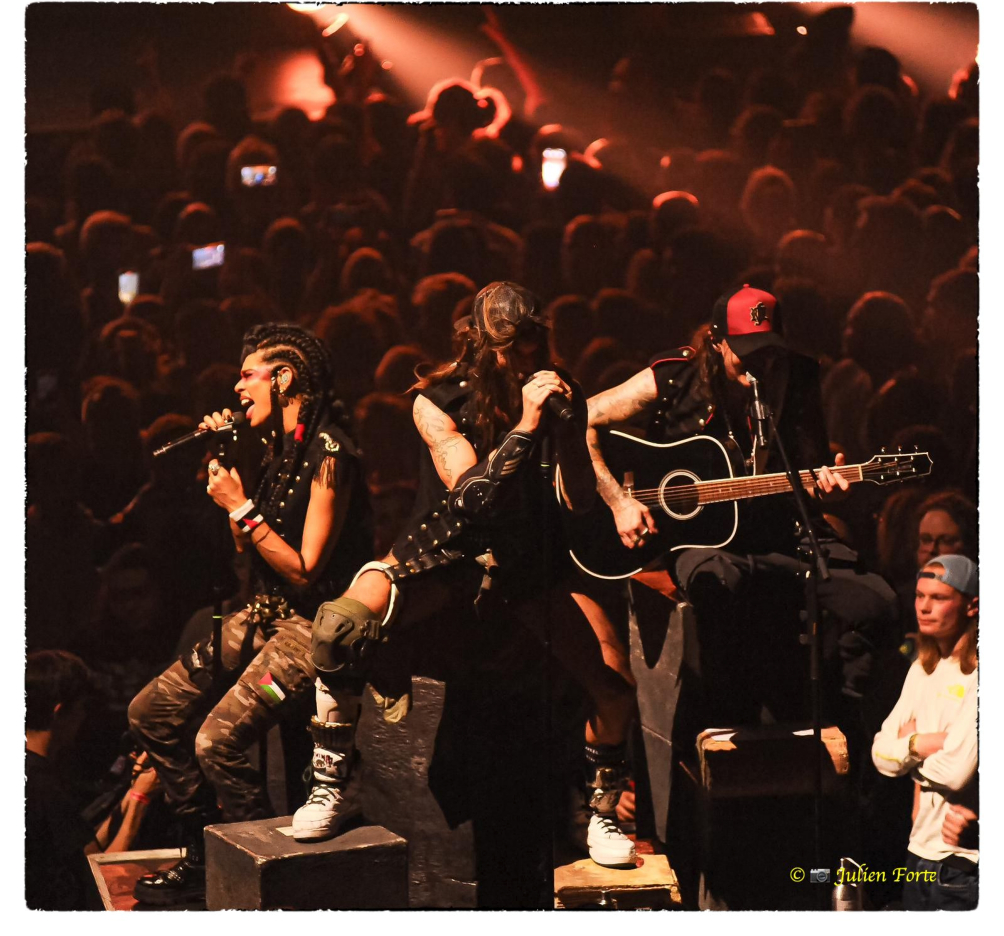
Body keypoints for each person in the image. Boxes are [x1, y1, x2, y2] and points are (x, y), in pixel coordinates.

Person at [293, 281, 639, 867]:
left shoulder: (560, 392)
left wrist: (568, 430)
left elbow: (579, 501)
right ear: (481, 343)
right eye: (511, 345)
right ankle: (332, 783)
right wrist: (526, 426)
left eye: (532, 341)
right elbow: (472, 498)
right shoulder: (435, 400)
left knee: (613, 684)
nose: (525, 355)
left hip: (527, 561)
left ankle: (600, 813)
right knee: (338, 625)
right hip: (444, 552)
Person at [584, 286, 897, 749]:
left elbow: (809, 468)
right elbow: (583, 421)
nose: (759, 366)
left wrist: (827, 485)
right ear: (717, 341)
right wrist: (618, 501)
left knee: (876, 603)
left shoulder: (797, 376)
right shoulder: (674, 377)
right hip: (702, 538)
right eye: (746, 354)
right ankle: (730, 733)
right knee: (724, 587)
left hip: (781, 529)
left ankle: (848, 728)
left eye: (769, 353)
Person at [127, 323, 371, 905]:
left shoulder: (330, 452)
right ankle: (200, 848)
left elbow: (304, 568)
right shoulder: (273, 448)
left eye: (247, 375)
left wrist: (239, 505)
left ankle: (259, 867)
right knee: (151, 712)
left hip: (309, 628)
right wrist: (231, 465)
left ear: (283, 378)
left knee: (216, 742)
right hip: (262, 613)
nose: (236, 388)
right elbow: (247, 547)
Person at [872, 555, 978, 910]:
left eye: (938, 597)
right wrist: (924, 743)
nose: (924, 607)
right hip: (918, 852)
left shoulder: (980, 675)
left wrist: (906, 754)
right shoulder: (922, 669)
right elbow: (879, 754)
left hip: (961, 864)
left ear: (972, 606)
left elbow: (956, 772)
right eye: (919, 595)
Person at [26, 650, 161, 910]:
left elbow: (85, 850)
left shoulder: (31, 771)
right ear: (59, 712)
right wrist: (140, 800)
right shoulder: (42, 788)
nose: (84, 718)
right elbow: (98, 877)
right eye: (81, 708)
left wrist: (129, 795)